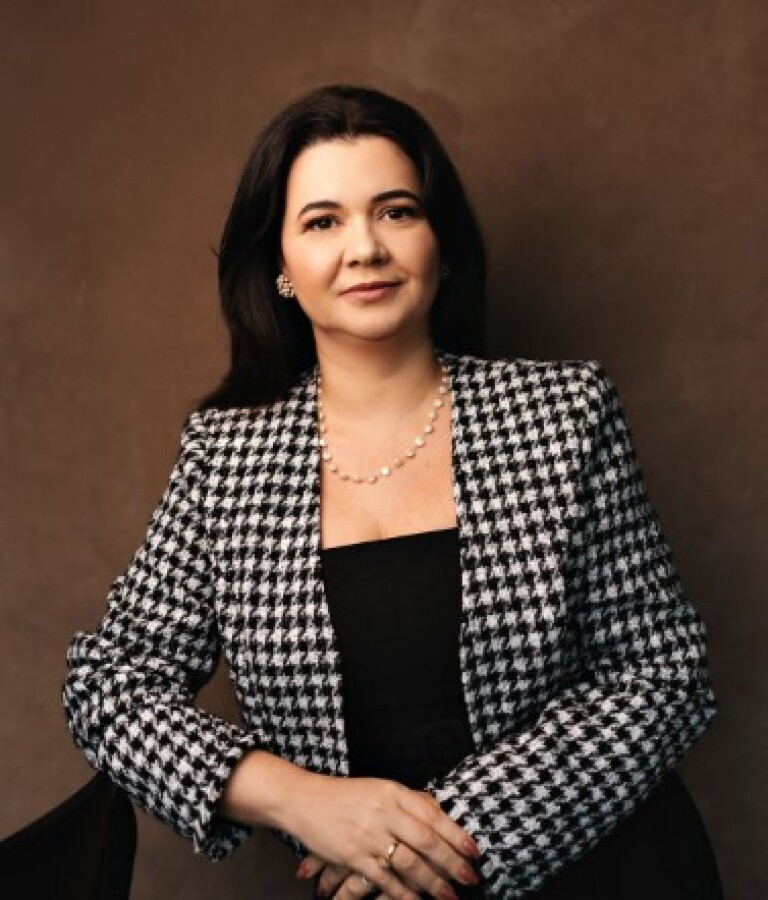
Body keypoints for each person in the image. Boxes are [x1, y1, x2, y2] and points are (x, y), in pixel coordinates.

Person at [61, 84, 723, 900]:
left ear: (441, 243)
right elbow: (108, 685)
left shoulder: (563, 412)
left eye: (396, 211)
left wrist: (441, 833)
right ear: (279, 268)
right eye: (323, 221)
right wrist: (305, 801)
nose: (365, 248)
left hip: (606, 872)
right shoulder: (225, 458)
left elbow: (662, 672)